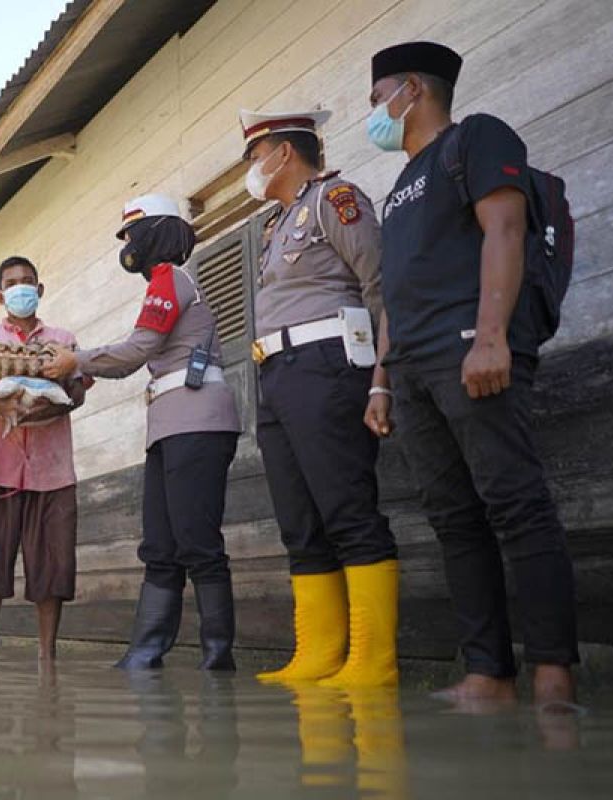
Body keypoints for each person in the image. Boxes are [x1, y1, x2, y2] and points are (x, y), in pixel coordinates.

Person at [366, 41, 578, 705]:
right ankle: (488, 675)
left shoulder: (476, 138)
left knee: (515, 502)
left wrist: (491, 338)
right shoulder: (398, 189)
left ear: (411, 91)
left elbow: (506, 228)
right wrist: (380, 378)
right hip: (413, 367)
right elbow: (393, 293)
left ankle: (552, 674)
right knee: (454, 518)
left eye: (377, 101)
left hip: (471, 348)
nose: (373, 115)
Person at [237, 108, 400, 687]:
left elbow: (382, 286)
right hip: (277, 373)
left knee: (347, 508)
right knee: (299, 520)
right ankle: (318, 652)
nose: (251, 169)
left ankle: (372, 661)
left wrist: (383, 377)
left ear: (284, 152)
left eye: (256, 156)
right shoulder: (277, 224)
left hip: (329, 364)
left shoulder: (336, 199)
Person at [45, 195, 241, 671]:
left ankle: (218, 656)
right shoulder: (161, 283)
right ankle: (147, 651)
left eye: (132, 234)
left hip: (196, 420)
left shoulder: (169, 278)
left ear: (156, 232)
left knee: (196, 540)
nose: (127, 245)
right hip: (171, 423)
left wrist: (78, 359)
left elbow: (139, 350)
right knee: (160, 543)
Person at [0, 255, 89, 664]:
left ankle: (47, 656)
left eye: (28, 281)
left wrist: (48, 409)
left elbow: (78, 391)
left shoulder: (63, 339)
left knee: (53, 567)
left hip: (53, 470)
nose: (21, 288)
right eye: (12, 283)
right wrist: (2, 408)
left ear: (40, 289)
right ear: (0, 294)